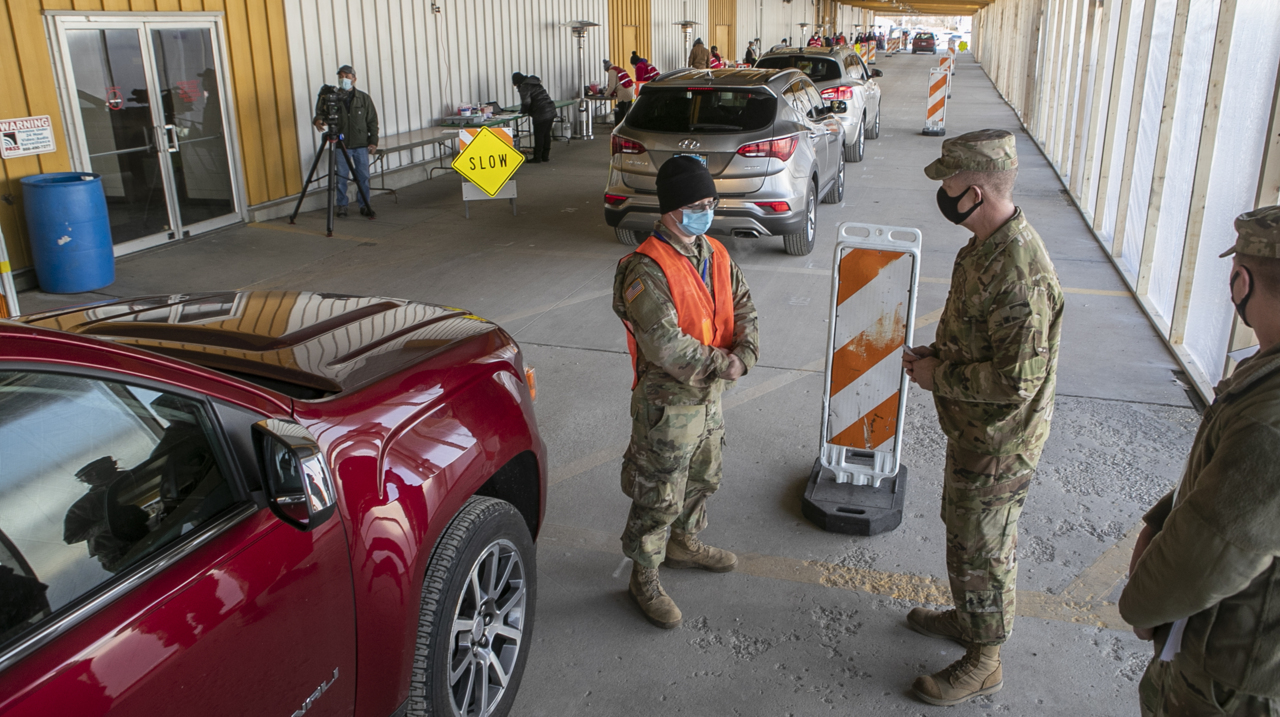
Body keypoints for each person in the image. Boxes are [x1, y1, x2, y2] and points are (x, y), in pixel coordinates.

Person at [901, 129, 1064, 706]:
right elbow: (982, 345)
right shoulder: (985, 245)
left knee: (986, 546)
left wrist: (937, 377)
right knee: (965, 533)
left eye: (949, 182)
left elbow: (1017, 382)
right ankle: (970, 619)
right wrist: (938, 357)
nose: (942, 193)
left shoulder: (1019, 272)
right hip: (974, 430)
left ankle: (986, 658)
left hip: (1000, 441)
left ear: (975, 190)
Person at [1119, 206, 1280, 717]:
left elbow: (1206, 556)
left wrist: (1141, 606)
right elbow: (1229, 483)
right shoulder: (1266, 374)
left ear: (1241, 280)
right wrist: (1161, 519)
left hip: (1233, 683)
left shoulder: (1270, 420)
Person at [612, 156, 759, 630]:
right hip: (667, 408)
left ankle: (684, 543)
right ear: (672, 209)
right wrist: (726, 364)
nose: (707, 211)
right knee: (658, 492)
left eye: (711, 202)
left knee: (703, 476)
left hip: (708, 400)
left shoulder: (715, 251)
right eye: (698, 204)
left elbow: (744, 307)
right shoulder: (644, 269)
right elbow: (665, 345)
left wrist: (747, 353)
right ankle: (644, 576)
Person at [313, 64, 378, 218]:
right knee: (341, 177)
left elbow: (372, 121)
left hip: (361, 144)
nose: (344, 79)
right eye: (341, 76)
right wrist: (318, 121)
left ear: (354, 79)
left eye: (347, 77)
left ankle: (365, 205)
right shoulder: (332, 97)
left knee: (363, 177)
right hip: (341, 144)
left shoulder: (363, 98)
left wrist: (373, 141)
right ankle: (342, 205)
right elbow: (321, 112)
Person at [511, 72, 556, 163]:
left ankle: (537, 157)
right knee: (546, 134)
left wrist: (523, 111)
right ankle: (545, 156)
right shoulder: (536, 83)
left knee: (539, 135)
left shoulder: (524, 86)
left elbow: (526, 102)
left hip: (541, 113)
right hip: (551, 109)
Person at [602, 59, 635, 124]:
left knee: (622, 113)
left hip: (623, 94)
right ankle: (627, 126)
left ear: (607, 68)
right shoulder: (618, 68)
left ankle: (622, 128)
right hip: (630, 92)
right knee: (627, 111)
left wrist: (605, 95)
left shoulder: (611, 71)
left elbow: (611, 86)